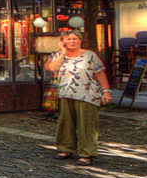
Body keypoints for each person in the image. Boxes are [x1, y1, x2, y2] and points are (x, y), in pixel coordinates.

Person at [44, 30, 112, 165]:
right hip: (66, 93)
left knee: (87, 124)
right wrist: (62, 54)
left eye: (75, 39)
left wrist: (106, 91)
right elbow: (51, 68)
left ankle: (87, 153)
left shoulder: (90, 55)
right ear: (63, 42)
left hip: (87, 94)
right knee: (65, 123)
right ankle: (65, 148)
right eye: (68, 39)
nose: (72, 41)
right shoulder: (58, 55)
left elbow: (100, 74)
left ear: (80, 41)